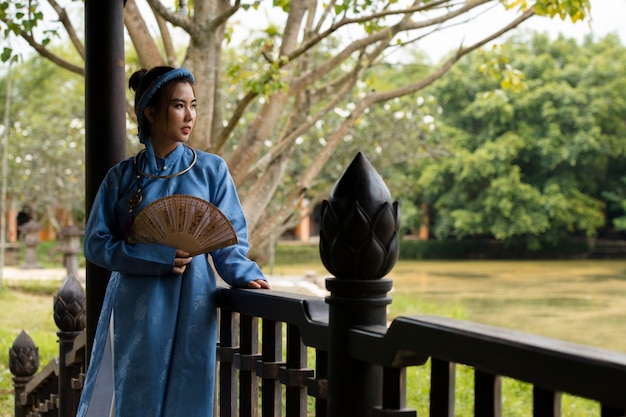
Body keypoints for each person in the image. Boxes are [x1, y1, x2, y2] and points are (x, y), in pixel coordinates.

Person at [76, 66, 270, 417]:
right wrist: (152, 256)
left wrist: (243, 273)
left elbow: (229, 240)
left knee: (190, 391)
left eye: (193, 105)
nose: (190, 115)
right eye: (178, 106)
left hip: (194, 300)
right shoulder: (121, 177)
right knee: (137, 396)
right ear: (150, 111)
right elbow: (95, 243)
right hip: (137, 302)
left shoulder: (211, 170)